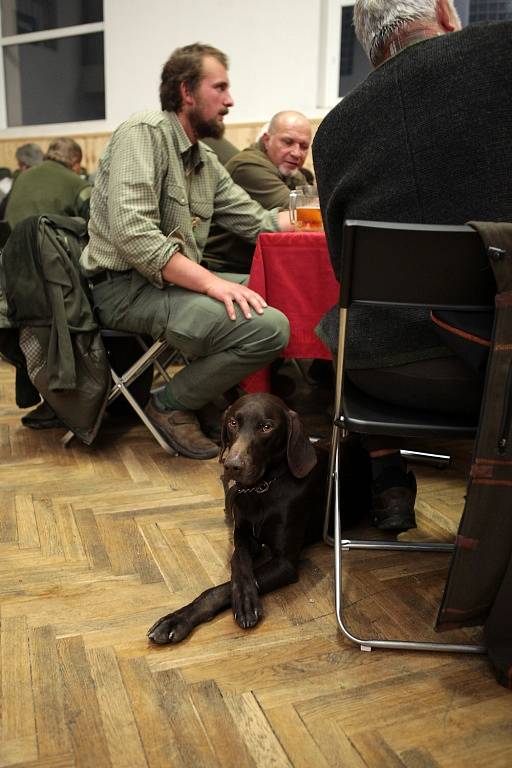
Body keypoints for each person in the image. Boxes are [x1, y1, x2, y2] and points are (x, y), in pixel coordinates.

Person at [312, 0, 512, 531]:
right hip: (504, 359)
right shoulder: (502, 51)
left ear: (370, 47)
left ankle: (387, 478)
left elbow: (344, 268)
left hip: (399, 375)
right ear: (447, 11)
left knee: (346, 327)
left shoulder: (334, 131)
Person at [80, 42, 292, 460]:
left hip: (164, 286)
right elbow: (133, 233)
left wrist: (311, 215)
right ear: (186, 92)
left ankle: (212, 397)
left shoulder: (203, 158)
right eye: (220, 88)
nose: (230, 101)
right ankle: (171, 403)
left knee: (278, 297)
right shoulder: (143, 133)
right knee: (269, 327)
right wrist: (212, 284)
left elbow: (257, 221)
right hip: (122, 289)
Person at [205, 110, 312, 272]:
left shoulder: (291, 172)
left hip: (258, 264)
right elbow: (304, 215)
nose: (297, 153)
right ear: (267, 140)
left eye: (304, 146)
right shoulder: (248, 167)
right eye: (288, 142)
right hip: (223, 267)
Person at [5, 137, 92, 229]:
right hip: (54, 241)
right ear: (75, 163)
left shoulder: (22, 177)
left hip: (14, 240)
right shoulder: (78, 184)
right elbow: (95, 222)